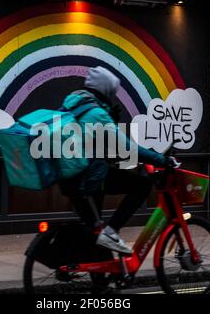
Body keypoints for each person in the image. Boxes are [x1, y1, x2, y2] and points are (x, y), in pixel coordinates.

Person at [59, 66, 179, 254]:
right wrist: (161, 160)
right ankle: (112, 231)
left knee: (95, 232)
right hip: (90, 177)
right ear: (105, 90)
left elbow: (96, 143)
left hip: (73, 177)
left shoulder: (73, 106)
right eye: (112, 93)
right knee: (141, 185)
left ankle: (101, 276)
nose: (112, 97)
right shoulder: (96, 114)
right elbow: (124, 147)